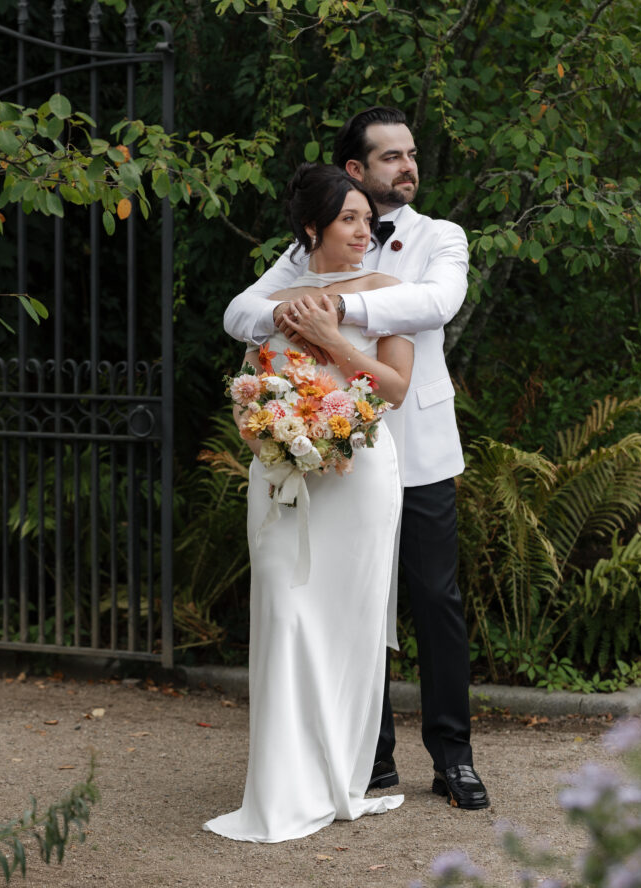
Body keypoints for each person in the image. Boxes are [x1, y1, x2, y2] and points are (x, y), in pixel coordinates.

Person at [223, 107, 490, 811]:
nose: (407, 166)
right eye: (390, 158)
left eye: (409, 155)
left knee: (433, 601)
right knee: (348, 599)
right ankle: (365, 757)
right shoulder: (310, 246)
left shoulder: (439, 236)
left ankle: (453, 757)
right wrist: (306, 306)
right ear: (355, 172)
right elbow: (242, 316)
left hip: (419, 449)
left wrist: (336, 313)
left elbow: (436, 303)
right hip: (328, 460)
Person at [204, 164, 413, 843]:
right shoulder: (274, 301)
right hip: (282, 473)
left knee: (345, 625)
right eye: (349, 219)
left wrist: (328, 341)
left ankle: (335, 779)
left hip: (359, 476)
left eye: (367, 221)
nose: (363, 231)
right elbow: (257, 380)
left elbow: (393, 388)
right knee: (285, 612)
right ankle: (277, 787)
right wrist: (276, 429)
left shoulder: (388, 292)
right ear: (311, 228)